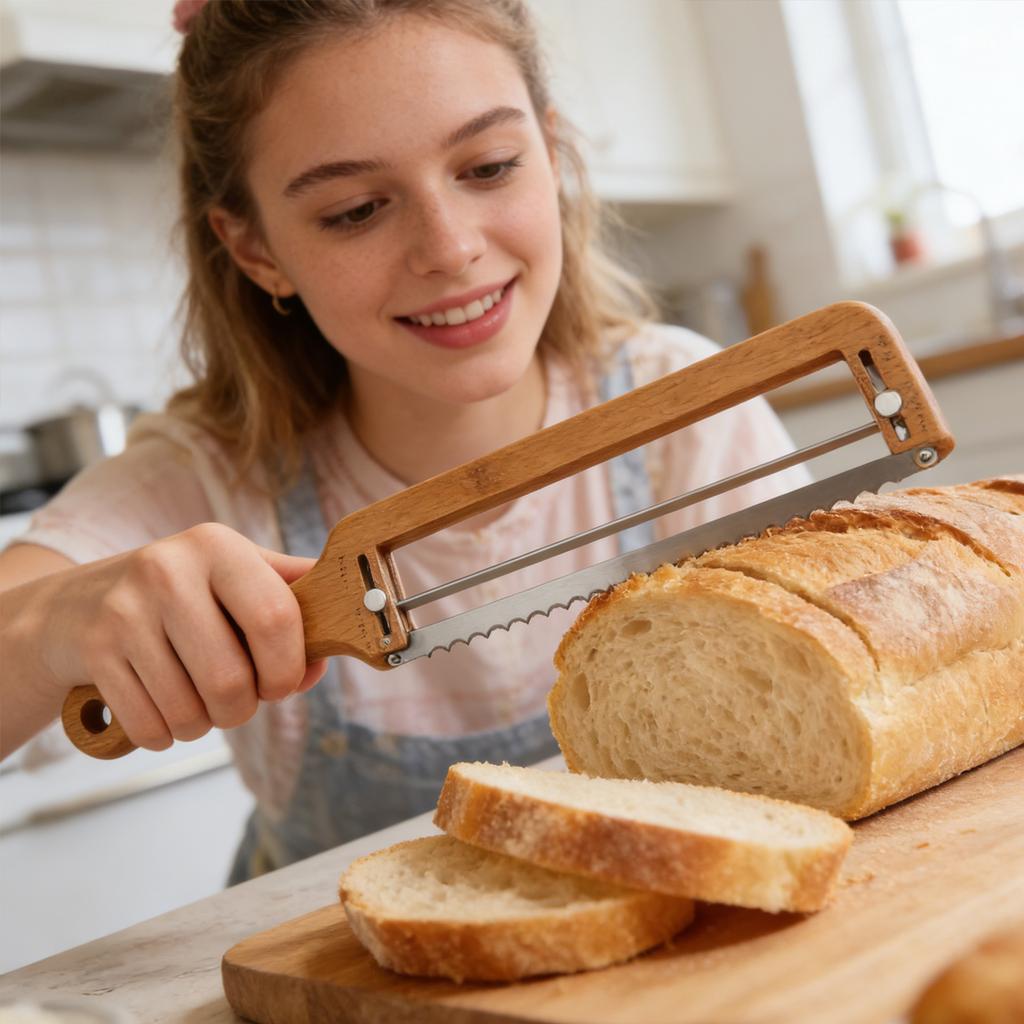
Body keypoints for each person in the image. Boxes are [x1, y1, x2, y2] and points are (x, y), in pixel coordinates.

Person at [0, 0, 809, 882]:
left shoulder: (684, 409)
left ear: (552, 150)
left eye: (491, 166)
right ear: (256, 248)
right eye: (354, 211)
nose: (450, 248)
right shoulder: (207, 475)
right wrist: (53, 627)